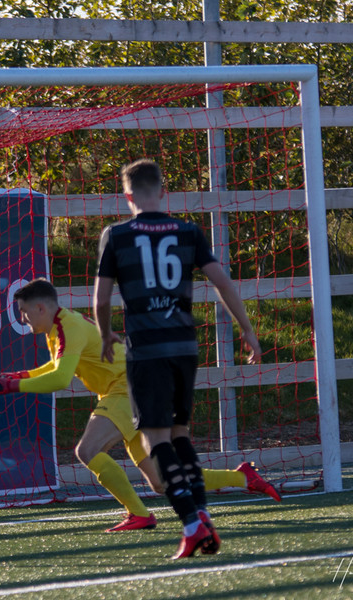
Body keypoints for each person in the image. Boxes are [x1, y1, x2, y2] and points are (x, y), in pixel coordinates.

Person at [0, 278, 277, 534]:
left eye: (23, 312)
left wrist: (12, 386)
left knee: (87, 450)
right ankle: (242, 477)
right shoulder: (59, 325)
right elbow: (56, 367)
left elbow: (61, 379)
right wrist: (18, 377)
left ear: (40, 308)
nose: (22, 318)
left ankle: (139, 514)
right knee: (161, 482)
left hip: (129, 388)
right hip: (131, 388)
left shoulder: (67, 327)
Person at [94, 159, 263, 559]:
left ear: (127, 195)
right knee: (180, 433)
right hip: (184, 347)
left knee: (154, 438)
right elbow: (222, 282)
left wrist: (105, 334)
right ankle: (202, 513)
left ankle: (190, 523)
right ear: (163, 191)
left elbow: (101, 298)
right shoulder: (188, 231)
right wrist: (246, 328)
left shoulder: (116, 235)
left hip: (147, 350)